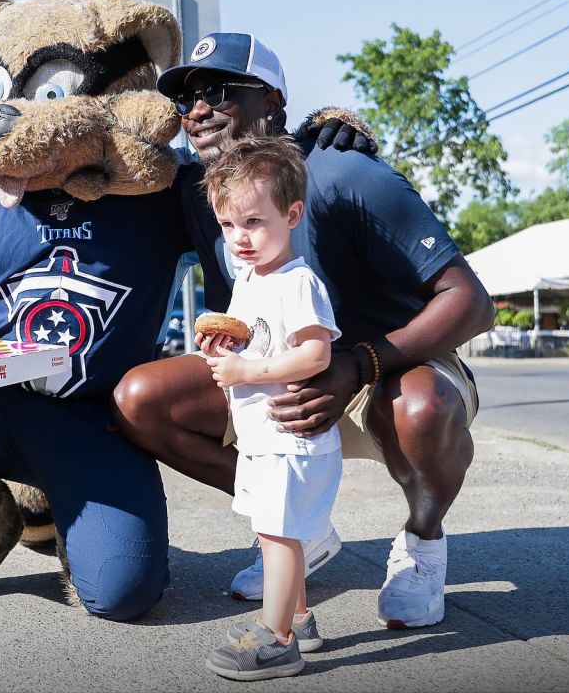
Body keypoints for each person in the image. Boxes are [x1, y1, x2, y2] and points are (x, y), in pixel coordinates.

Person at [113, 32, 496, 629]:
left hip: (386, 369)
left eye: (216, 90)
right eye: (186, 100)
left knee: (423, 408)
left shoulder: (343, 172)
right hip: (274, 374)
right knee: (140, 400)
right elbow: (101, 177)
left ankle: (423, 542)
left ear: (271, 101)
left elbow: (470, 301)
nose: (197, 111)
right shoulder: (197, 192)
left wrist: (358, 364)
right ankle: (300, 533)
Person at [197, 136, 341, 680]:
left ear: (292, 214)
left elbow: (314, 351)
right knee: (272, 531)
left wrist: (245, 372)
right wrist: (226, 352)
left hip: (291, 437)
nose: (240, 238)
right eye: (228, 225)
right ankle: (299, 617)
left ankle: (277, 639)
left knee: (280, 536)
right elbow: (256, 340)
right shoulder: (248, 278)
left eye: (254, 222)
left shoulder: (297, 282)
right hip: (263, 436)